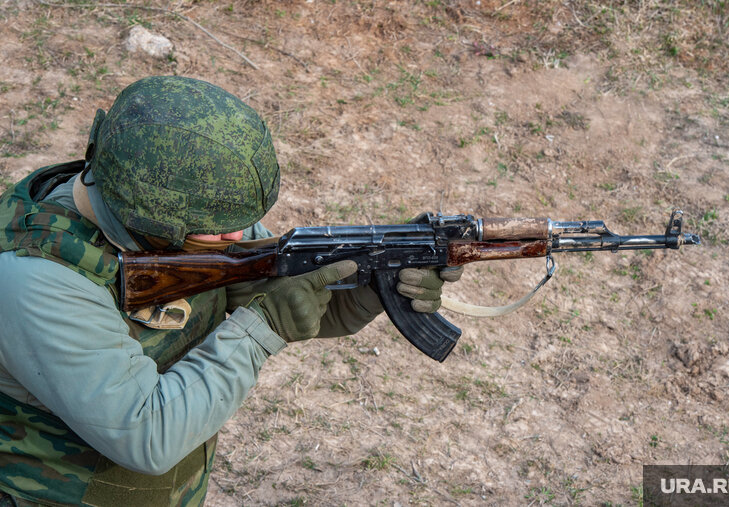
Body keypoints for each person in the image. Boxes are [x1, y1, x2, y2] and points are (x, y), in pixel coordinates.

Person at [0, 76, 462, 506]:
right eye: (219, 229)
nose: (240, 237)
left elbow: (290, 301)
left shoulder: (193, 223)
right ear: (151, 216)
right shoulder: (38, 282)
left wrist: (375, 283)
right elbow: (147, 436)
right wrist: (261, 328)